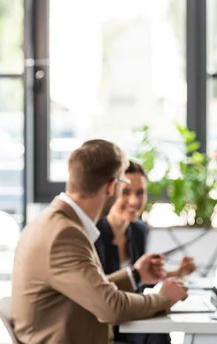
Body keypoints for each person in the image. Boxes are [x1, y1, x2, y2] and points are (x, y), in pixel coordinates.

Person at [12, 139, 189, 344]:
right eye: (123, 185)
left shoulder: (55, 222)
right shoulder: (65, 235)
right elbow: (111, 307)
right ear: (111, 186)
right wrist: (163, 299)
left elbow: (92, 291)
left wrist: (136, 275)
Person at [95, 160, 196, 344]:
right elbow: (99, 290)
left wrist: (176, 274)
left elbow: (141, 281)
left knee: (158, 333)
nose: (134, 201)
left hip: (132, 319)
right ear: (112, 191)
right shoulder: (95, 234)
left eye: (140, 193)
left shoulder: (139, 231)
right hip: (105, 325)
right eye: (126, 192)